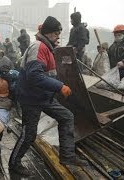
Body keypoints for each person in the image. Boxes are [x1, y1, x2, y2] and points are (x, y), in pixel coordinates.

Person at [8, 16, 88, 176]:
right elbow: (35, 76)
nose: (59, 36)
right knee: (29, 133)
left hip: (43, 97)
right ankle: (14, 163)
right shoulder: (39, 47)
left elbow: (48, 75)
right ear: (48, 32)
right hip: (31, 99)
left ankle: (67, 156)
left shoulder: (48, 49)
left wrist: (59, 85)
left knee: (66, 116)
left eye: (59, 33)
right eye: (56, 33)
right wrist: (60, 87)